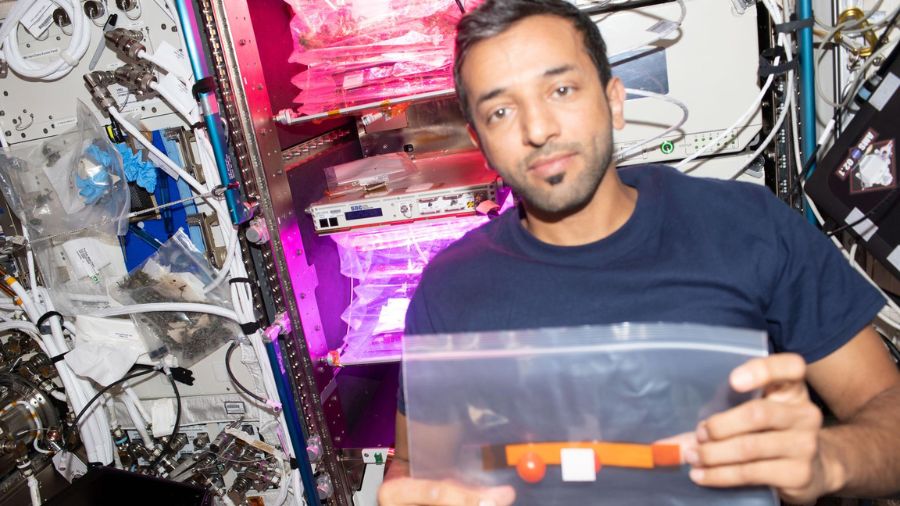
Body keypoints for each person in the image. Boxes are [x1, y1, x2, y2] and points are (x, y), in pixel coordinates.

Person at [378, 0, 900, 504]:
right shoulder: (449, 288)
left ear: (615, 100)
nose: (538, 130)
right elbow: (416, 465)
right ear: (480, 141)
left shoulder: (746, 227)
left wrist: (826, 460)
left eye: (561, 89)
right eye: (500, 111)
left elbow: (886, 407)